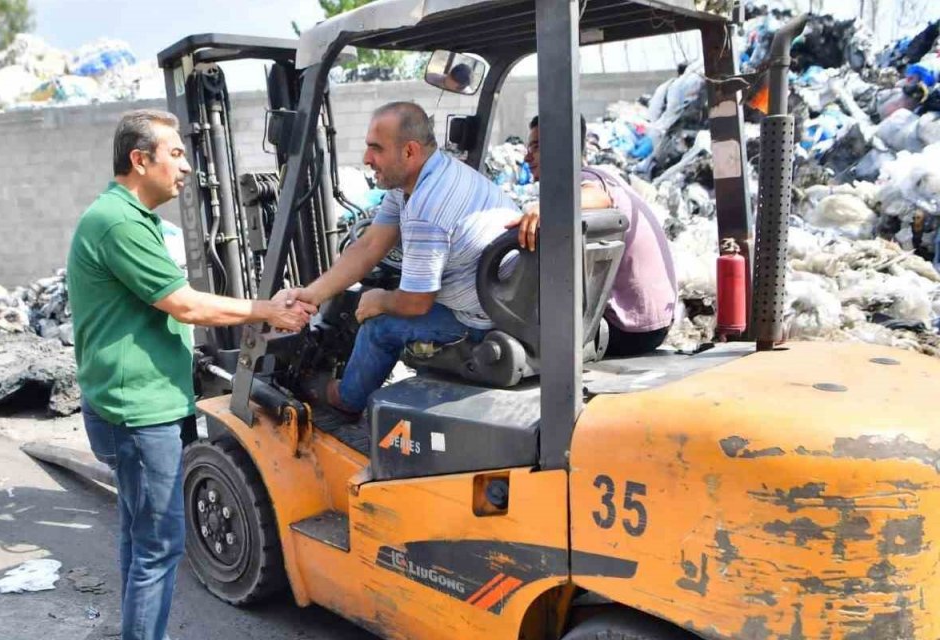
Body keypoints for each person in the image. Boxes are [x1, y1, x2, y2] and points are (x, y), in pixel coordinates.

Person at [67, 109, 314, 640]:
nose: (186, 169)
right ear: (140, 159)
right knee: (159, 544)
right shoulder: (117, 222)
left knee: (140, 535)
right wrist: (266, 310)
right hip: (140, 412)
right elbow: (186, 306)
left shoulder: (135, 220)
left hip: (144, 402)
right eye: (175, 154)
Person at [275, 102, 521, 414]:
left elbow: (416, 303)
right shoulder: (423, 178)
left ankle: (346, 399)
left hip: (479, 323)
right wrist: (310, 294)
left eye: (376, 149)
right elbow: (370, 245)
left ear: (409, 152)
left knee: (378, 326)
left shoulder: (427, 207)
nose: (366, 159)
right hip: (503, 306)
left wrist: (379, 299)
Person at [516, 115, 677, 356]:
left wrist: (543, 209)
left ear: (562, 147)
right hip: (651, 325)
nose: (528, 157)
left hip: (628, 329)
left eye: (537, 147)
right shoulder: (602, 175)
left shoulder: (588, 180)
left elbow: (599, 197)